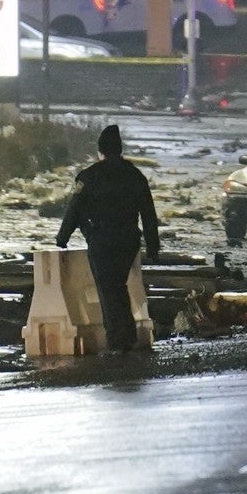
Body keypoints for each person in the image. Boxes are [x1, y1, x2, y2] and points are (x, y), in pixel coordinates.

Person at [56, 124, 162, 355]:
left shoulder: (89, 176)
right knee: (117, 287)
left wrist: (62, 237)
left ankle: (118, 341)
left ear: (100, 151)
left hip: (102, 240)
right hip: (128, 240)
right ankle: (126, 336)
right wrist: (153, 245)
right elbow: (148, 213)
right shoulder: (135, 175)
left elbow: (74, 209)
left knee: (108, 289)